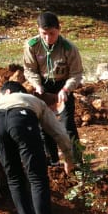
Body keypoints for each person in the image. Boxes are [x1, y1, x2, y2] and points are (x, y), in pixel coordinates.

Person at [0, 81, 76, 214]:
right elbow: (58, 131)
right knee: (37, 178)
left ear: (7, 92)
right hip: (21, 118)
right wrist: (69, 157)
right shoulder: (33, 100)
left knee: (14, 178)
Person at [22, 12, 84, 164]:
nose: (48, 38)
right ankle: (53, 161)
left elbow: (76, 73)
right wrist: (37, 85)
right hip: (43, 86)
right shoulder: (32, 45)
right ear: (38, 30)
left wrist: (66, 89)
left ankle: (77, 162)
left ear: (59, 29)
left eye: (52, 34)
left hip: (63, 86)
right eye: (44, 34)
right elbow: (29, 69)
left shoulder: (68, 48)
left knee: (67, 125)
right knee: (45, 126)